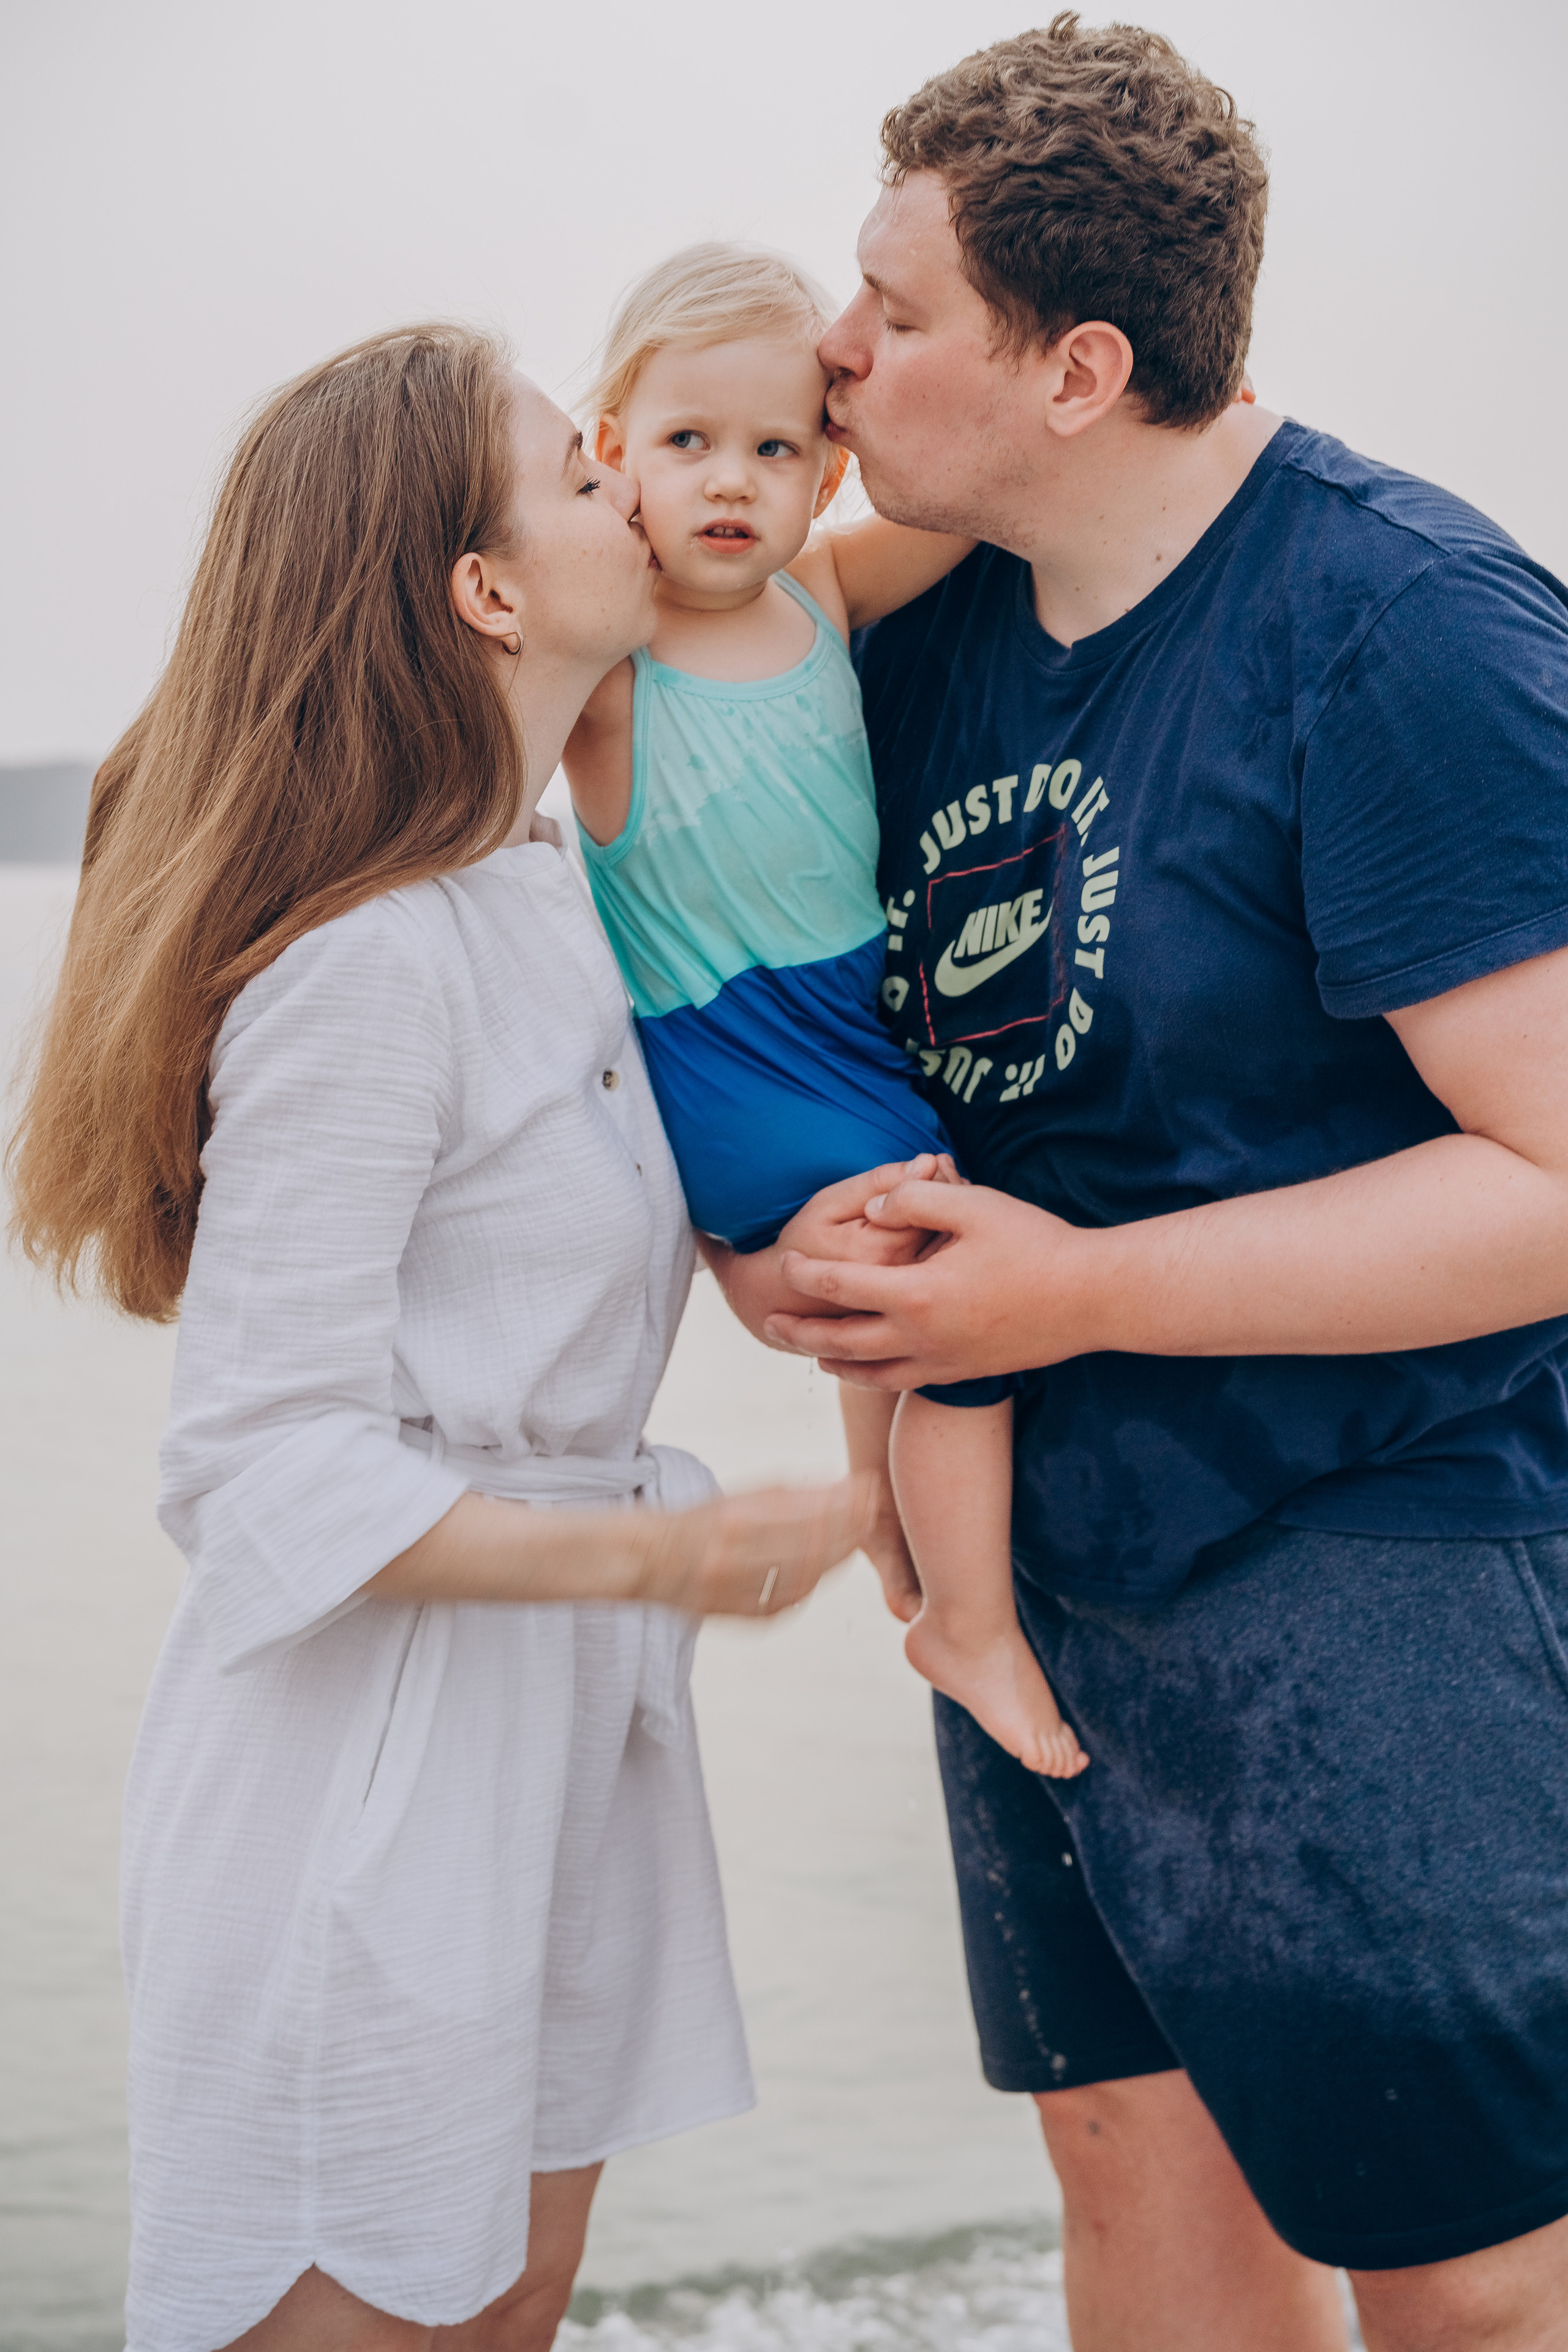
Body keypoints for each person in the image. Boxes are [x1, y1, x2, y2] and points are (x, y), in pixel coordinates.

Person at [709, 18, 1568, 2352]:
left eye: (893, 310)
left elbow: (1558, 1176)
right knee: (1134, 2167)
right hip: (1044, 1555)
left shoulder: (1406, 626)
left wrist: (1071, 1291)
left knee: (1466, 2267)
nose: (833, 347)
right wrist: (791, 1259)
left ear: (1080, 367)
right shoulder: (923, 635)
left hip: (1379, 1536)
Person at [6, 323, 872, 2352]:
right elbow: (250, 1469)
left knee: (512, 2307)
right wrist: (665, 1553)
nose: (627, 484)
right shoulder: (373, 962)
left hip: (561, 1730)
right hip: (367, 1767)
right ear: (488, 591)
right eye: (573, 474)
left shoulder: (555, 892)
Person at [563, 243, 1086, 1779]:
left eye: (775, 447)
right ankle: (966, 1624)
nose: (731, 481)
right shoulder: (610, 659)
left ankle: (887, 1532)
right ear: (612, 455)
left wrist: (1178, 423)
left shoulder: (821, 585)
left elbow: (985, 507)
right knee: (949, 1292)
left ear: (825, 469)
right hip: (725, 1051)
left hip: (849, 1025)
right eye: (684, 444)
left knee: (888, 1311)